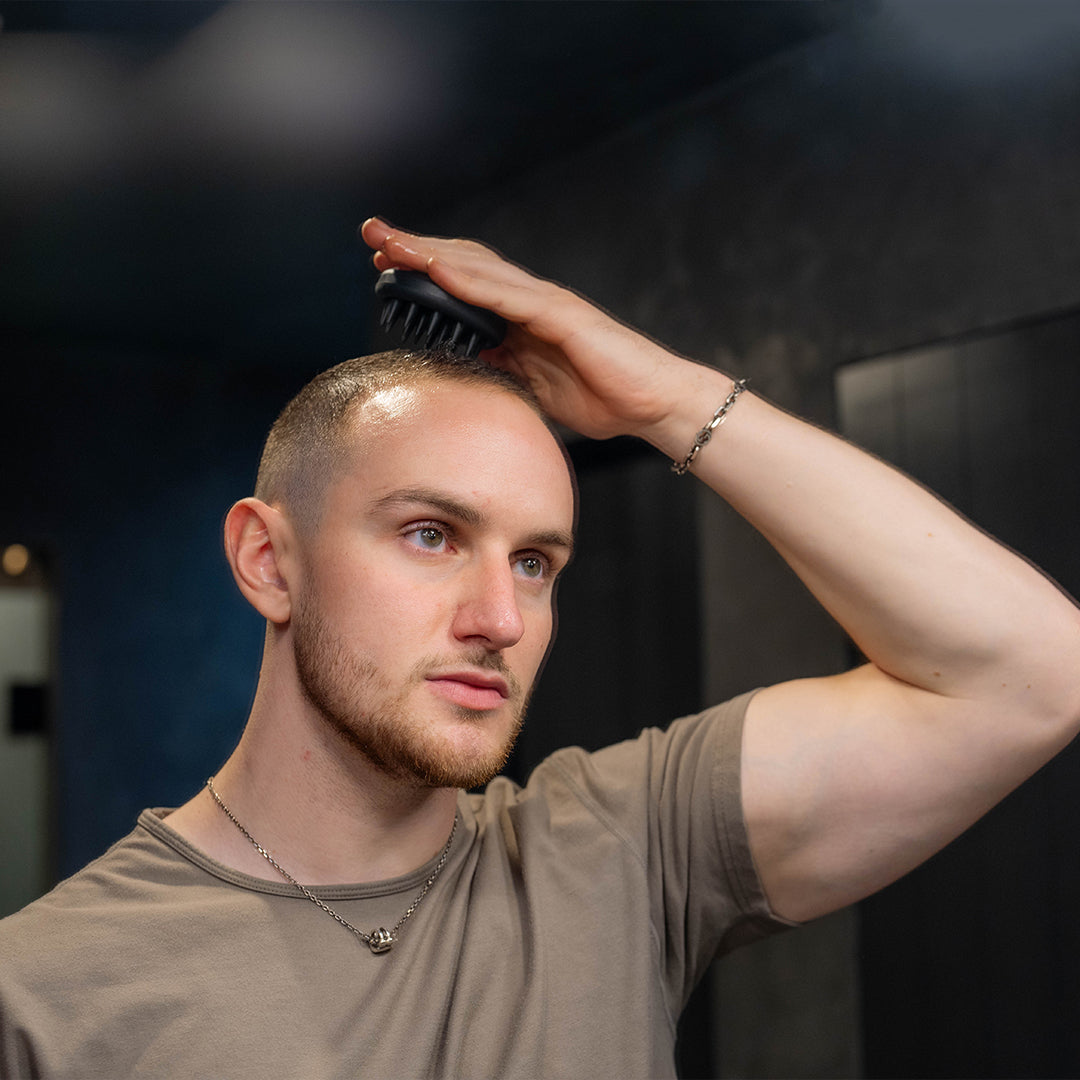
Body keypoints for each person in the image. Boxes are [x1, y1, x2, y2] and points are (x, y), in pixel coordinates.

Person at [2, 218, 1078, 1079]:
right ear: (268, 563)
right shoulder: (43, 995)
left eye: (535, 563)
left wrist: (666, 397)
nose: (501, 619)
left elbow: (1034, 672)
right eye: (432, 535)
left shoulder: (620, 849)